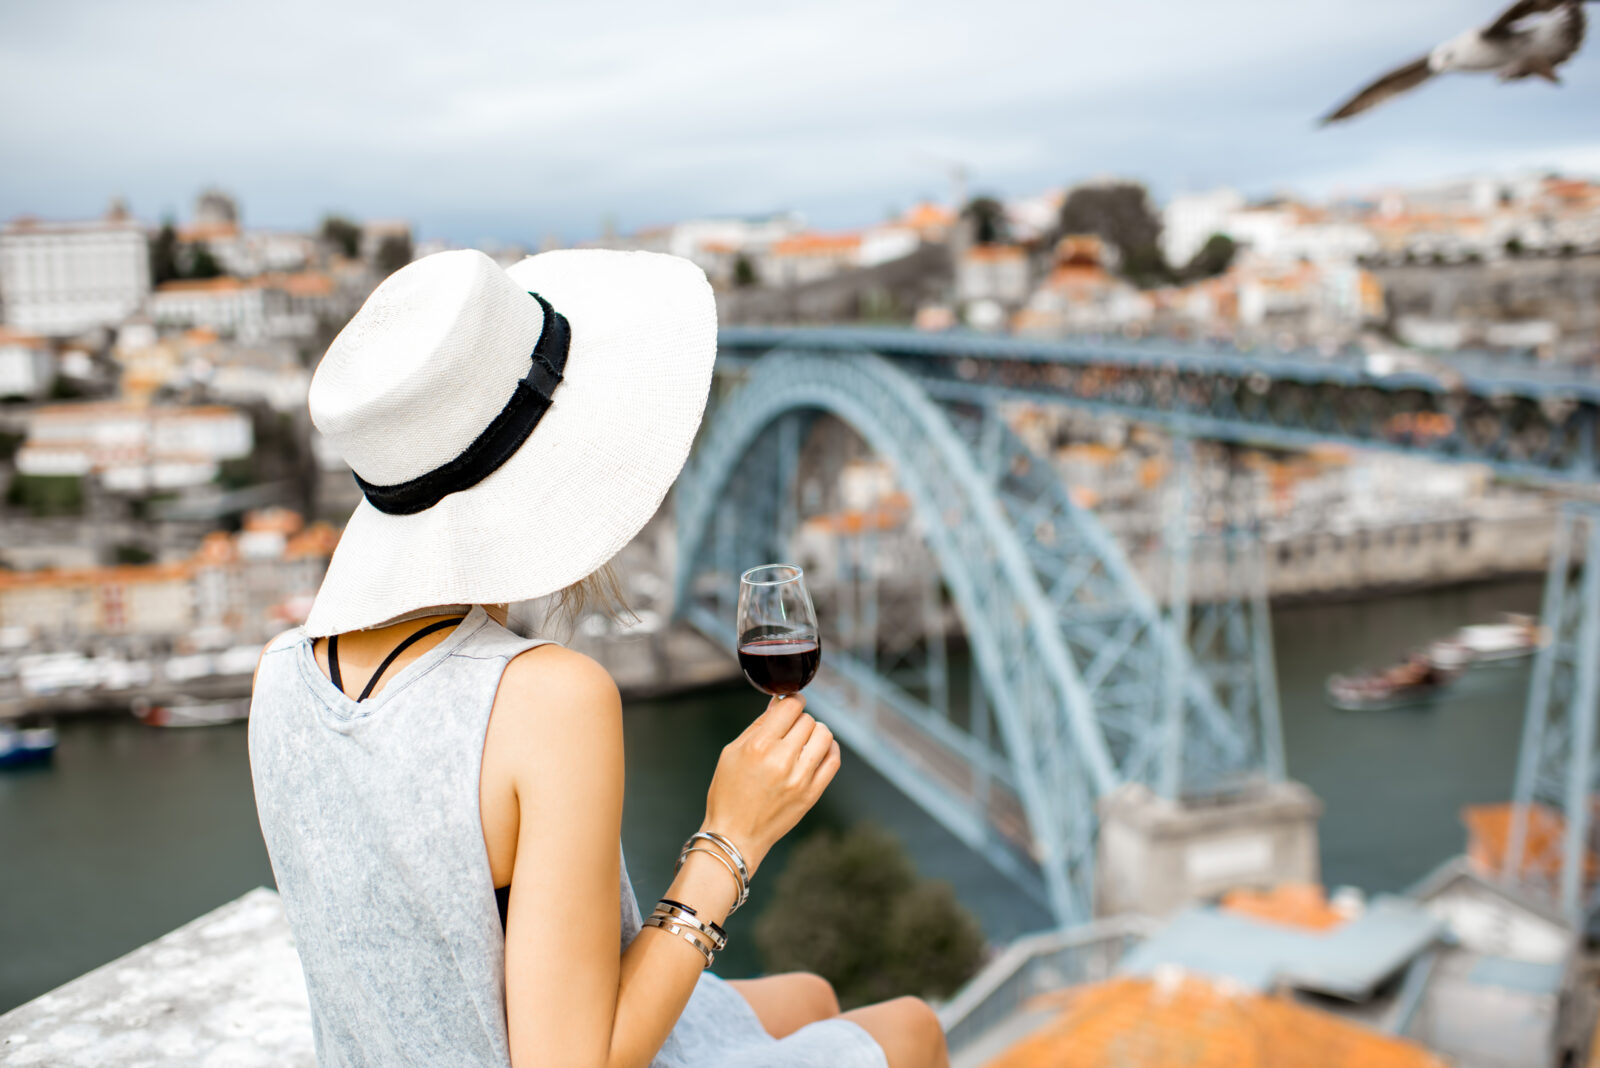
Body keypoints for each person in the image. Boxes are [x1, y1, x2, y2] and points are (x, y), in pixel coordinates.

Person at [247, 248, 948, 1068]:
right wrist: (731, 836)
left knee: (809, 998)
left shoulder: (277, 679)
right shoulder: (546, 698)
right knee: (911, 1028)